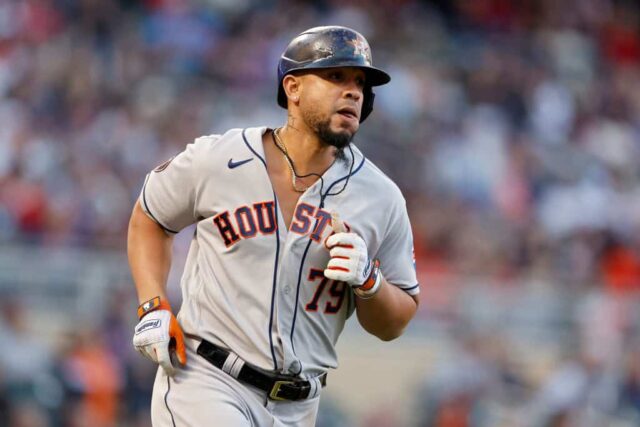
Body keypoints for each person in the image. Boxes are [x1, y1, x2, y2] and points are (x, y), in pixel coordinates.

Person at [128, 25, 420, 426]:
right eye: (336, 76)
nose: (354, 91)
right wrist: (153, 304)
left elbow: (395, 322)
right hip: (208, 380)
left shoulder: (381, 198)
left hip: (300, 406)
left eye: (360, 83)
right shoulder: (219, 158)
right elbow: (150, 217)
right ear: (293, 87)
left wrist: (370, 282)